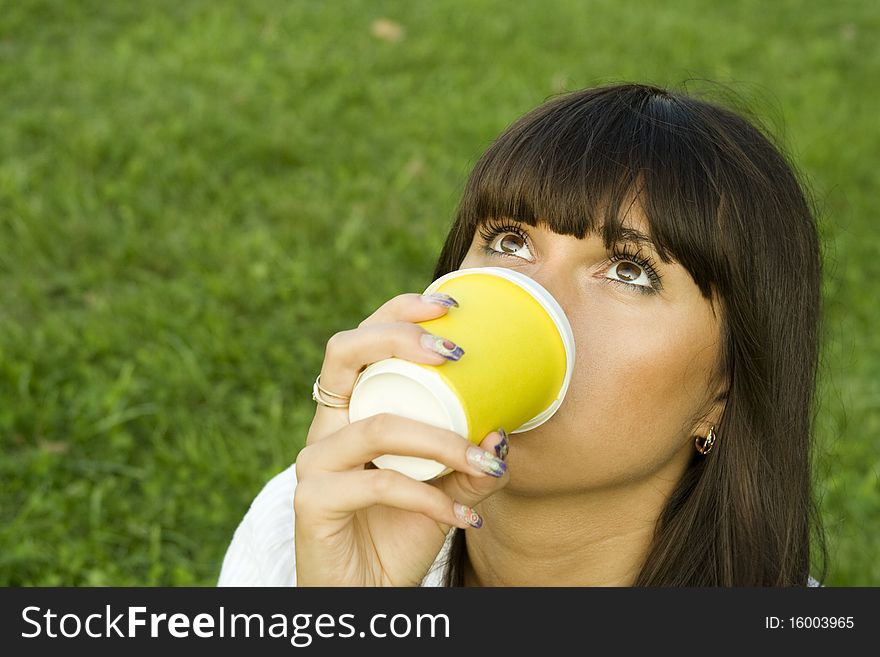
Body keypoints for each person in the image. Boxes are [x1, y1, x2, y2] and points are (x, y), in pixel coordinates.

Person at [218, 82, 827, 587]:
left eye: (629, 270)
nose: (537, 297)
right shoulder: (315, 517)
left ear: (724, 390)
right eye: (510, 242)